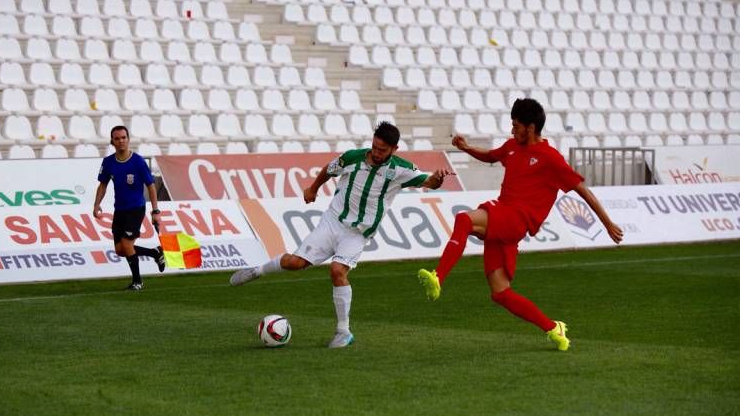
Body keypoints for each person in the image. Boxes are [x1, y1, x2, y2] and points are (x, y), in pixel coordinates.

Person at [417, 98, 623, 351]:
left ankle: (438, 276)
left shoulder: (550, 157)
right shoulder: (513, 146)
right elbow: (491, 156)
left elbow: (582, 190)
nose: (512, 130)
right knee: (501, 293)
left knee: (464, 219)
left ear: (531, 127)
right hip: (506, 219)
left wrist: (607, 223)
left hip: (517, 218)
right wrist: (467, 148)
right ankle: (553, 328)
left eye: (516, 125)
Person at [229, 122, 454, 348]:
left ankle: (343, 332)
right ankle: (257, 271)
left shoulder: (401, 169)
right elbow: (330, 169)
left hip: (358, 233)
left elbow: (429, 182)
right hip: (332, 221)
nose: (376, 152)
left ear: (394, 149)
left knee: (337, 270)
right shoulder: (353, 157)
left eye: (382, 150)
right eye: (375, 147)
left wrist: (438, 178)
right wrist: (313, 188)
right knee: (295, 263)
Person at [93, 125, 165, 291]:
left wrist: (155, 211)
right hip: (119, 210)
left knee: (126, 244)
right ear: (112, 141)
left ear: (128, 139)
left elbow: (151, 186)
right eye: (117, 138)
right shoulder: (108, 162)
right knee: (120, 250)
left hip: (136, 209)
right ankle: (155, 253)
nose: (121, 141)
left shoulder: (138, 161)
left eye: (123, 138)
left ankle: (137, 281)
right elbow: (102, 185)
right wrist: (97, 204)